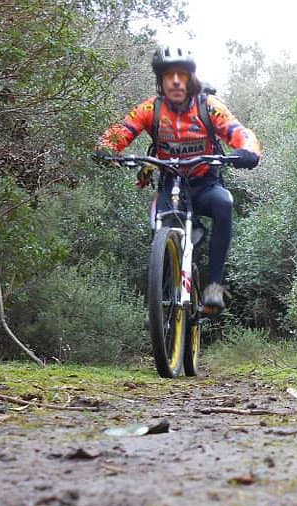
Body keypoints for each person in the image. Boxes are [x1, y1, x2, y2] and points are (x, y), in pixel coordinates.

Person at [94, 45, 262, 311]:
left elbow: (238, 131)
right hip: (169, 186)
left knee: (224, 204)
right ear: (161, 81)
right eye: (168, 75)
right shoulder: (151, 109)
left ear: (190, 78)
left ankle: (214, 286)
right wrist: (106, 148)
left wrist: (248, 151)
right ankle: (164, 302)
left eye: (181, 74)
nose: (174, 80)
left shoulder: (208, 106)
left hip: (205, 185)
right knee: (157, 228)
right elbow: (120, 132)